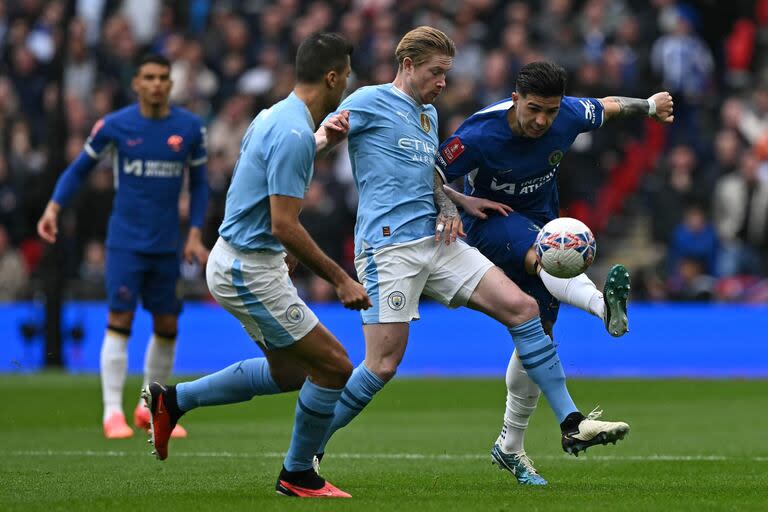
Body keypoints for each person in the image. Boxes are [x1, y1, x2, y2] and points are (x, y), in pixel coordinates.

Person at [314, 27, 630, 482]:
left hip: (438, 238)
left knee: (524, 310)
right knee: (382, 364)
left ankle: (571, 422)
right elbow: (323, 140)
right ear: (408, 65)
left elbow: (429, 177)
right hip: (388, 246)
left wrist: (460, 201)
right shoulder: (368, 101)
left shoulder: (427, 114)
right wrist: (316, 144)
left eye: (446, 73)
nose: (444, 82)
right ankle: (312, 447)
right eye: (436, 72)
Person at [141, 32, 370, 498]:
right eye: (345, 76)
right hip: (249, 268)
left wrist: (324, 138)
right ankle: (298, 473)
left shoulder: (275, 117)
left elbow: (261, 182)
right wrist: (341, 278)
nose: (346, 83)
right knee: (335, 367)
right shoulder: (291, 132)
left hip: (243, 258)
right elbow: (284, 224)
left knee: (290, 373)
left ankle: (173, 401)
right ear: (331, 77)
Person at [434, 60, 675, 484]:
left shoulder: (568, 115)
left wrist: (649, 106)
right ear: (515, 99)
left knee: (537, 333)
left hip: (542, 218)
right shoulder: (478, 134)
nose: (542, 120)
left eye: (550, 110)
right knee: (547, 252)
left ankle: (509, 447)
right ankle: (602, 308)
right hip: (491, 220)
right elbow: (431, 173)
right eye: (533, 109)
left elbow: (607, 105)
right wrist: (453, 204)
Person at [37, 54, 209, 440]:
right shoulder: (116, 126)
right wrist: (53, 207)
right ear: (136, 83)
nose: (157, 84)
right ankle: (112, 412)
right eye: (149, 77)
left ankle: (150, 407)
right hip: (126, 243)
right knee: (121, 320)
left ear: (171, 83)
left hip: (167, 245)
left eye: (164, 77)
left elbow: (199, 185)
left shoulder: (190, 128)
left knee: (167, 324)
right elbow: (79, 167)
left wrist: (195, 233)